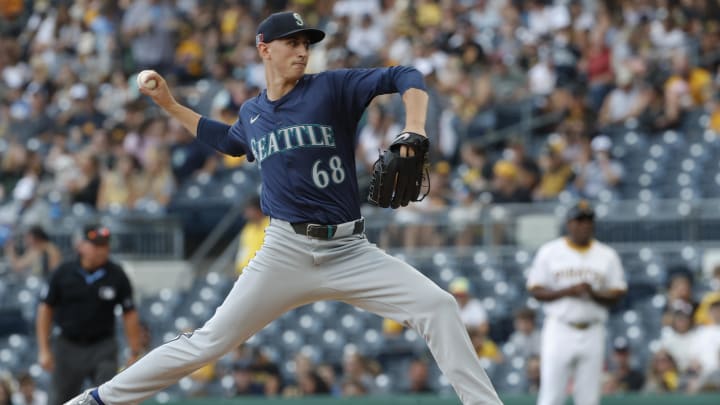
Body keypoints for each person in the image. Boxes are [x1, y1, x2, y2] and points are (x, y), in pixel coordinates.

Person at [64, 11, 503, 405]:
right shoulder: (254, 113)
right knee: (209, 341)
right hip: (285, 251)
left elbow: (406, 74)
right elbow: (229, 142)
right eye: (292, 42)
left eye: (305, 43)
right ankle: (98, 400)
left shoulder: (331, 88)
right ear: (264, 48)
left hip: (350, 249)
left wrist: (414, 130)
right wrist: (170, 105)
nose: (301, 51)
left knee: (439, 306)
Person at [526, 200, 627, 405]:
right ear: (569, 223)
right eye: (579, 220)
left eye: (588, 220)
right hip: (559, 328)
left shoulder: (607, 255)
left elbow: (617, 293)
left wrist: (593, 293)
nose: (584, 225)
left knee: (589, 398)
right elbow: (535, 290)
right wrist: (568, 291)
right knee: (552, 396)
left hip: (593, 329)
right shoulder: (550, 251)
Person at [36, 224, 143, 405]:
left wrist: (134, 351)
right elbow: (45, 309)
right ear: (81, 245)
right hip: (68, 346)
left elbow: (129, 314)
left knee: (108, 397)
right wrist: (44, 350)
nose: (102, 250)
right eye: (96, 245)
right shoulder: (63, 272)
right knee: (60, 400)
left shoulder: (116, 275)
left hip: (103, 347)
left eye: (105, 245)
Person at [234, 195, 269, 275]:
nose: (245, 214)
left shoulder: (272, 225)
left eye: (248, 210)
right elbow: (243, 251)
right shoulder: (248, 229)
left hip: (265, 273)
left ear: (257, 209)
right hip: (246, 274)